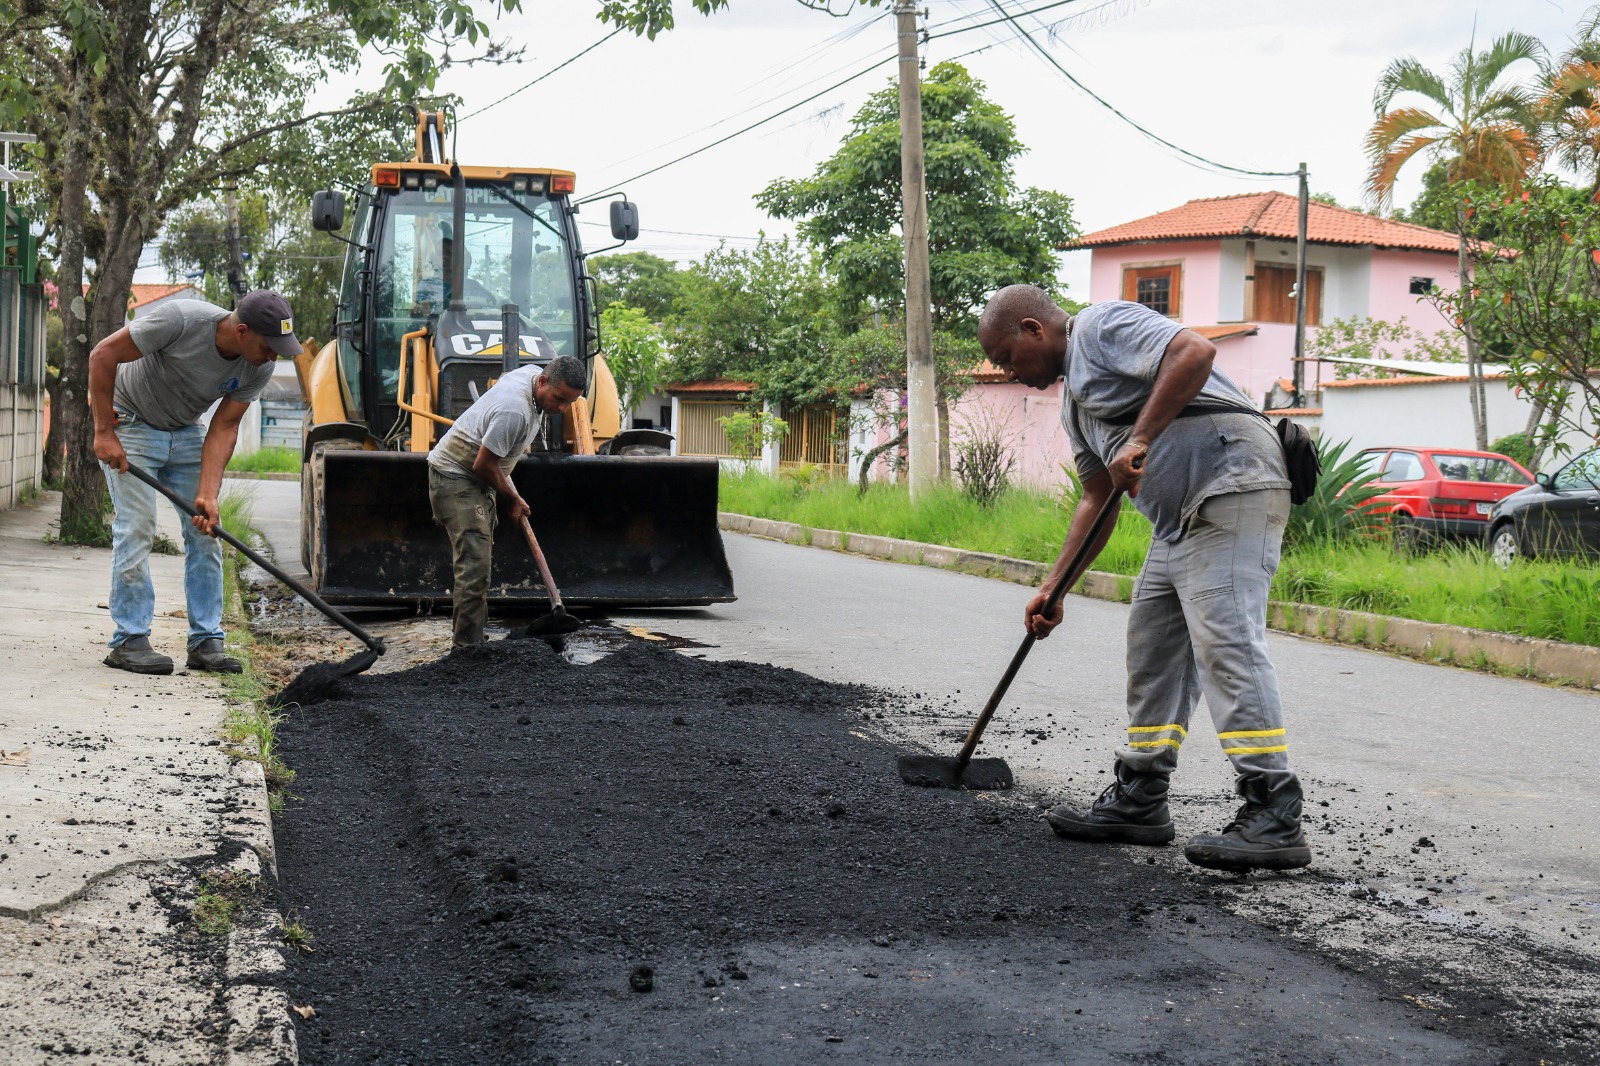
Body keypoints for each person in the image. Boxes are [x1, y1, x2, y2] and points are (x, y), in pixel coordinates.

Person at [977, 284, 1311, 872]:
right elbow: (1095, 497)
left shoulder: (1101, 326)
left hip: (1231, 485)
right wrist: (1054, 587)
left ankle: (1273, 811)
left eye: (1007, 358)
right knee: (1152, 649)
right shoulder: (1073, 407)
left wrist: (1140, 438)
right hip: (1175, 522)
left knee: (1226, 643)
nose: (1010, 373)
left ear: (1034, 329)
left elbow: (1194, 352)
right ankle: (1141, 797)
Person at [90, 290, 301, 675]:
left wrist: (208, 493)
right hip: (132, 422)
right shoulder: (180, 320)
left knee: (206, 530)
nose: (275, 356)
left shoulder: (259, 367)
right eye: (269, 346)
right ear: (240, 331)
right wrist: (104, 431)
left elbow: (224, 425)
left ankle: (206, 641)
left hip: (185, 431)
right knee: (138, 527)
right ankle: (129, 639)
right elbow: (103, 355)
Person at [426, 354, 587, 647]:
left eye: (569, 403)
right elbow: (484, 465)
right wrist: (513, 498)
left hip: (477, 476)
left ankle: (474, 638)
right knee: (474, 568)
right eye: (559, 399)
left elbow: (491, 462)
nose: (561, 408)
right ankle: (467, 652)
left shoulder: (531, 375)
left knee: (480, 563)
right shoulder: (515, 410)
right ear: (542, 382)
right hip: (456, 478)